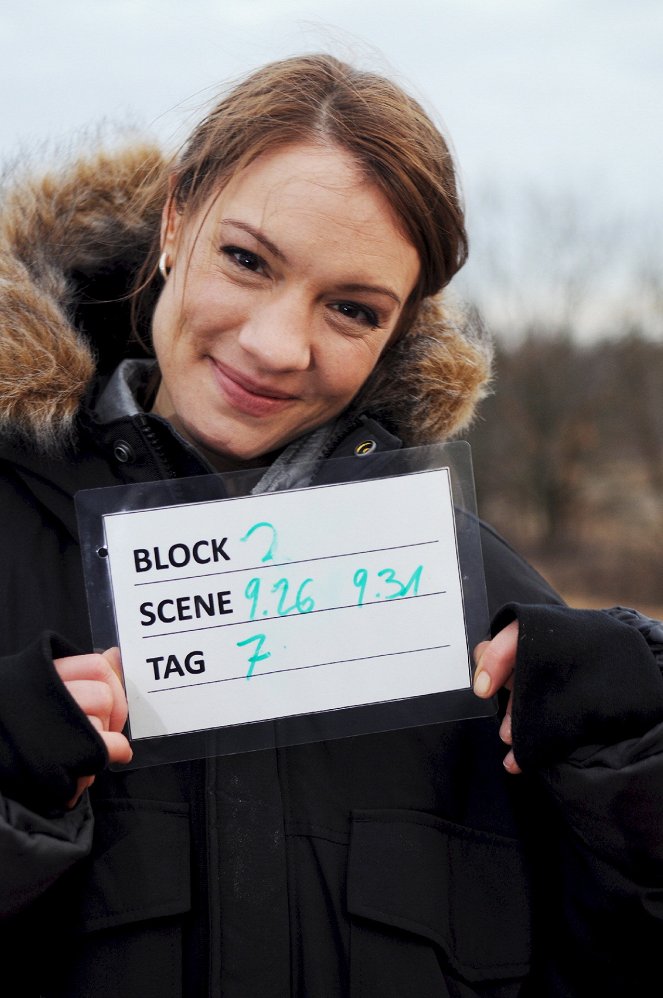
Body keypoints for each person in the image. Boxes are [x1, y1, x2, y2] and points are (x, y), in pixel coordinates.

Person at [0, 53, 662, 997]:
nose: (275, 346)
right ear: (176, 218)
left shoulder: (481, 609)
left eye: (351, 309)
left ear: (397, 331)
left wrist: (634, 761)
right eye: (246, 259)